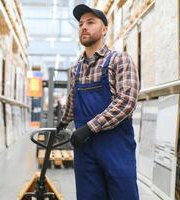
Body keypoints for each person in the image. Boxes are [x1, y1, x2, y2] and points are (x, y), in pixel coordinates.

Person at [56, 4, 140, 200]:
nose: (84, 27)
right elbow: (72, 102)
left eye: (90, 22)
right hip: (85, 152)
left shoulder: (119, 60)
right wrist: (61, 123)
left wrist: (89, 128)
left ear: (104, 30)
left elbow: (126, 102)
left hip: (115, 148)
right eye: (80, 24)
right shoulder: (75, 70)